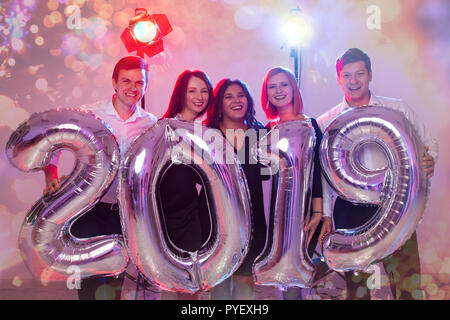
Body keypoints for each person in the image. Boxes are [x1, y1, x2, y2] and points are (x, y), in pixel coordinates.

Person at [317, 48, 438, 300]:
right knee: (358, 286)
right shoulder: (326, 121)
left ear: (370, 75)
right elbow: (324, 178)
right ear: (338, 78)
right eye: (347, 75)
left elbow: (428, 142)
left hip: (396, 205)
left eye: (360, 73)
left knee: (406, 282)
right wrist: (326, 214)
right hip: (350, 210)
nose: (353, 81)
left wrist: (429, 159)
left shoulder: (397, 109)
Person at [43, 56, 159, 300]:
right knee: (90, 285)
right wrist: (50, 174)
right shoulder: (92, 115)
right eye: (126, 81)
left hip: (124, 214)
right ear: (114, 83)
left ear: (146, 86)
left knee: (115, 283)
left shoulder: (150, 123)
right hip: (89, 210)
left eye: (139, 82)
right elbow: (52, 139)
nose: (133, 87)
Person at [203, 78, 282, 300]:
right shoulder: (208, 136)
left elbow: (273, 174)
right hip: (215, 222)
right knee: (218, 284)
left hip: (252, 221)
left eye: (241, 95)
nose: (237, 100)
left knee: (245, 283)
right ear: (219, 103)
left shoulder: (260, 135)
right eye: (229, 96)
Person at [261, 67, 325, 299]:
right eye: (272, 86)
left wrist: (317, 211)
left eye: (284, 84)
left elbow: (318, 171)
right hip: (275, 215)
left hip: (306, 213)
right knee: (277, 278)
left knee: (296, 281)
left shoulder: (311, 125)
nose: (278, 91)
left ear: (293, 89)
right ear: (266, 93)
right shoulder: (266, 130)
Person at [159, 69, 214, 300]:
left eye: (204, 91)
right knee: (169, 283)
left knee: (191, 286)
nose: (199, 96)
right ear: (181, 93)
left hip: (192, 215)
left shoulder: (206, 132)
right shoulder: (163, 127)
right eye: (192, 90)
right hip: (164, 216)